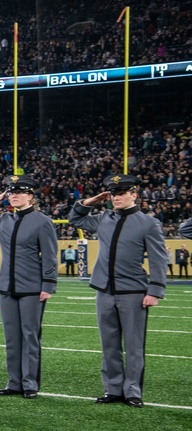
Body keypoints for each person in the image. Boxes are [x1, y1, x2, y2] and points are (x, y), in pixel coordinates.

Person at [68, 174, 167, 408]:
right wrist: (93, 200)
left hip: (133, 291)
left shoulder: (148, 223)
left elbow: (158, 259)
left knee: (134, 345)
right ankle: (113, 389)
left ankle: (132, 391)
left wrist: (155, 290)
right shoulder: (103, 218)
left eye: (121, 193)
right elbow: (75, 218)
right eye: (113, 194)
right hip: (104, 290)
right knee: (109, 344)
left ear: (134, 194)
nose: (116, 198)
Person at [0, 176, 58, 399]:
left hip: (31, 286)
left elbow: (49, 256)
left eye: (19, 192)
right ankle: (14, 382)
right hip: (7, 287)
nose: (14, 196)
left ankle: (30, 384)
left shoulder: (42, 221)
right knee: (12, 338)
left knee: (30, 336)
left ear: (30, 196)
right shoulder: (4, 220)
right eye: (11, 193)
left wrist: (48, 284)